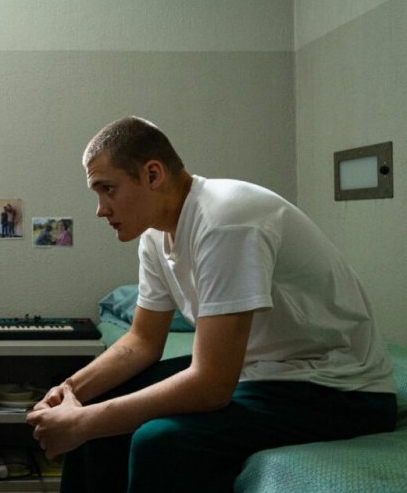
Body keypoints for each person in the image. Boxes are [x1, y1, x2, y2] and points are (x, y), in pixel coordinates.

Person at [26, 116, 396, 492]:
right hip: (256, 371)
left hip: (338, 389)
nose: (101, 209)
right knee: (99, 400)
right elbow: (142, 341)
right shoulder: (155, 236)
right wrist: (69, 391)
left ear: (153, 174)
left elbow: (211, 385)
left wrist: (84, 422)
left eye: (108, 189)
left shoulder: (225, 221)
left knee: (158, 443)